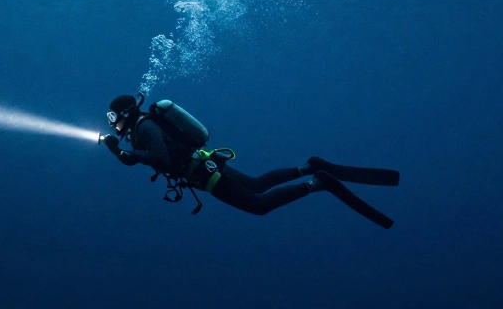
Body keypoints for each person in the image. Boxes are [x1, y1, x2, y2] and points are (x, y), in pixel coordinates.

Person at [100, 95, 399, 228]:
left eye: (114, 119)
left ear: (125, 114)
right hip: (206, 166)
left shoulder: (145, 128)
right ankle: (309, 166)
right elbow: (138, 158)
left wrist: (128, 154)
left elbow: (160, 159)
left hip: (206, 175)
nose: (113, 125)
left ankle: (317, 182)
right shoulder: (141, 131)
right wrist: (117, 151)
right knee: (258, 184)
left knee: (259, 205)